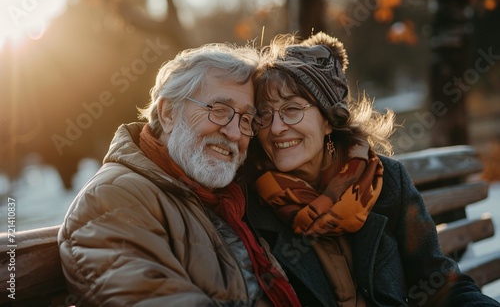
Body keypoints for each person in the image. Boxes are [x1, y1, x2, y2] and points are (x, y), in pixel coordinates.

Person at [244, 32, 500, 306]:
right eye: (264, 113)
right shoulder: (249, 202)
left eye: (292, 109)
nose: (276, 127)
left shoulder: (385, 180)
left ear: (329, 120)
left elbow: (438, 280)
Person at [57, 42, 302, 306]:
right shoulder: (111, 198)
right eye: (219, 110)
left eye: (245, 120)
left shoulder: (227, 198)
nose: (234, 133)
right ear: (168, 113)